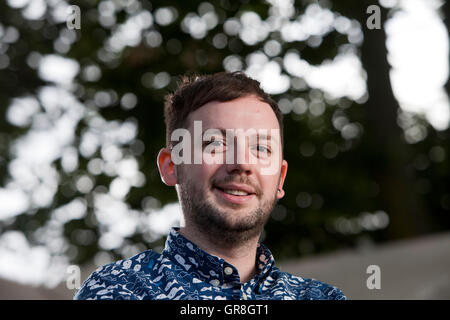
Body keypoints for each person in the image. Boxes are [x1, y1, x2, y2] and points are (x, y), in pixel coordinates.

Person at [74, 72, 346, 300]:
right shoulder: (117, 291)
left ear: (280, 179)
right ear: (172, 166)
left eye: (261, 147)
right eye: (216, 143)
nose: (242, 163)